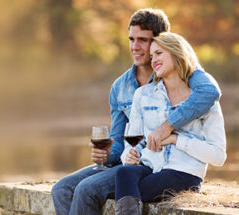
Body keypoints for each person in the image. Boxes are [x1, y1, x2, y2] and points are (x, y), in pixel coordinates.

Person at [52, 8, 221, 215]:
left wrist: (166, 128)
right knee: (61, 189)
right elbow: (119, 143)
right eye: (131, 39)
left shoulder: (189, 76)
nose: (135, 47)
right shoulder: (120, 87)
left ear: (161, 41)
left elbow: (210, 92)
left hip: (156, 167)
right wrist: (105, 154)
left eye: (142, 40)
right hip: (130, 163)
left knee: (87, 189)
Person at [114, 32, 227, 215]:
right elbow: (132, 142)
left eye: (159, 53)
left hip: (184, 173)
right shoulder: (143, 95)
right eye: (151, 56)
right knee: (124, 173)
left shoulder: (203, 100)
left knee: (125, 191)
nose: (153, 60)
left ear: (176, 53)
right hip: (150, 168)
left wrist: (176, 140)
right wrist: (129, 155)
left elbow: (218, 156)